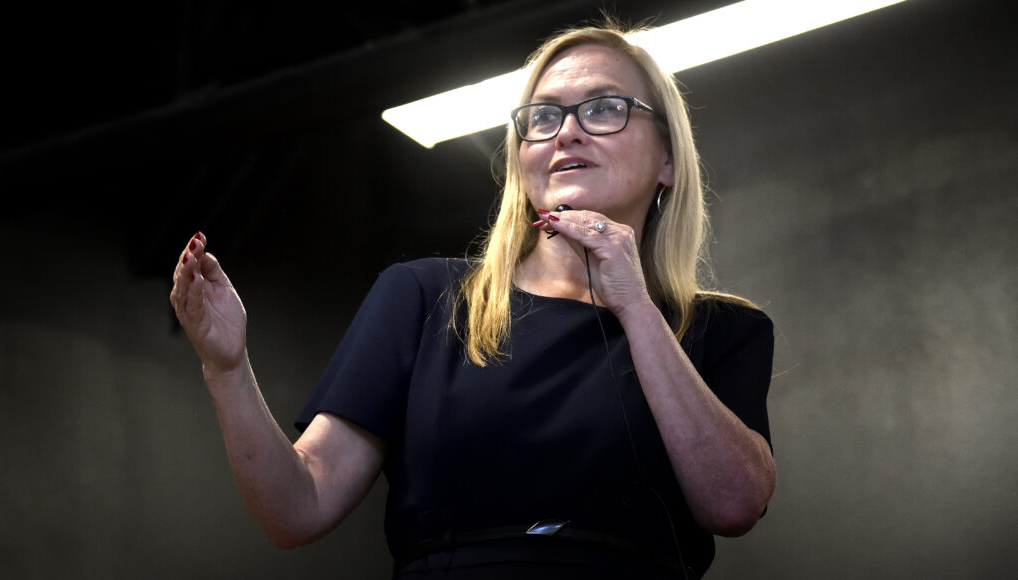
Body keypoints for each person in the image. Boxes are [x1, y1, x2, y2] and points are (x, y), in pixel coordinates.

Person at [170, 21, 775, 580]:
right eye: (543, 116)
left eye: (603, 108)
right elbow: (298, 510)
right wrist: (227, 368)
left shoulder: (724, 329)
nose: (566, 131)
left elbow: (733, 505)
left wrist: (636, 306)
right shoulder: (423, 297)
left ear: (668, 158)